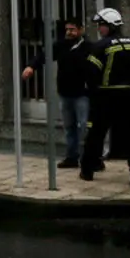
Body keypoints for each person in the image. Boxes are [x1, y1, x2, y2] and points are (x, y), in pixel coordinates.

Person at [79, 7, 130, 187]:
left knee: (96, 134)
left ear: (111, 26)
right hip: (129, 97)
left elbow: (91, 73)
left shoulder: (100, 46)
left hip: (105, 97)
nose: (99, 29)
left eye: (101, 25)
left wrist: (95, 92)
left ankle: (87, 170)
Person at [21, 16, 92, 169]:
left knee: (84, 128)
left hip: (82, 94)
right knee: (69, 127)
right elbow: (44, 56)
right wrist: (31, 67)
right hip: (65, 93)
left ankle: (91, 158)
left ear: (81, 30)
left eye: (72, 29)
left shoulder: (88, 47)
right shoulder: (61, 46)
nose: (69, 32)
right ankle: (72, 157)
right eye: (67, 29)